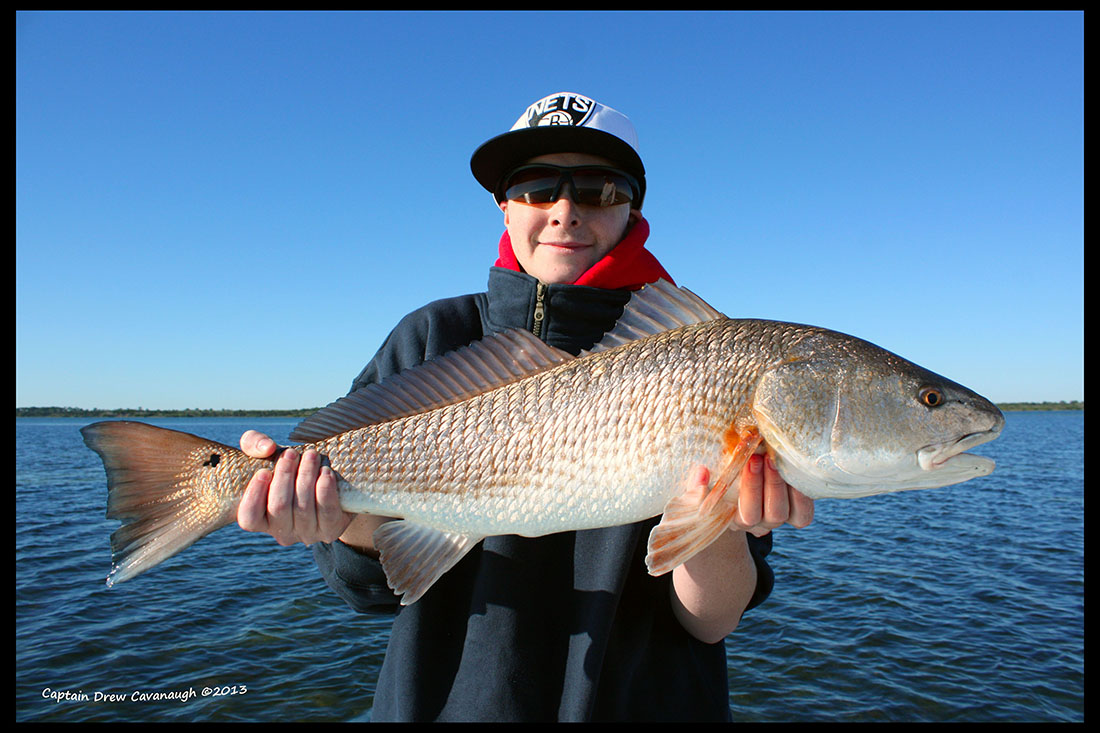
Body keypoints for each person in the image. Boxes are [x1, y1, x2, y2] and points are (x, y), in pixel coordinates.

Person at [236, 92, 814, 722]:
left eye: (599, 189)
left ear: (632, 209)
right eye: (538, 188)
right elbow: (369, 590)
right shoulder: (433, 336)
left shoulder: (711, 358)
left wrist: (717, 526)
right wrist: (329, 513)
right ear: (504, 207)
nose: (566, 211)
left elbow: (711, 622)